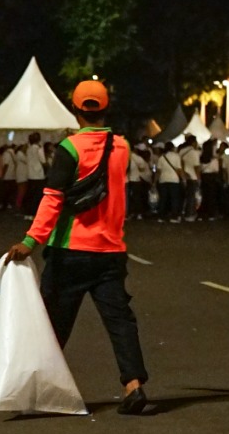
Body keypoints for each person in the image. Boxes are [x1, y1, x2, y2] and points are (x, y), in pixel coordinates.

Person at [9, 79, 150, 416]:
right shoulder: (122, 147)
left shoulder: (69, 149)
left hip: (70, 251)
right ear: (106, 108)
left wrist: (31, 240)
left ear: (74, 109)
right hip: (111, 252)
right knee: (119, 321)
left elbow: (53, 199)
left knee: (52, 324)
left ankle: (38, 390)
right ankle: (133, 385)